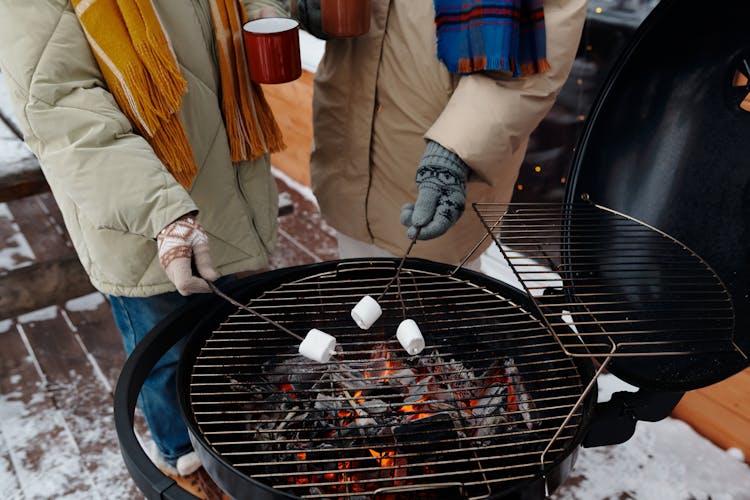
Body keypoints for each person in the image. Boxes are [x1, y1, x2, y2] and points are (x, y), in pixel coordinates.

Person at [0, 0, 288, 478]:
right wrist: (163, 212)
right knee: (168, 359)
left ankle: (235, 448)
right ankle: (184, 460)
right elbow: (62, 110)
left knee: (228, 340)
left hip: (225, 190)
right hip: (142, 216)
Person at [268, 0, 588, 268]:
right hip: (347, 149)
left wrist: (457, 150)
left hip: (440, 165)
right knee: (361, 314)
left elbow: (547, 34)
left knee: (437, 323)